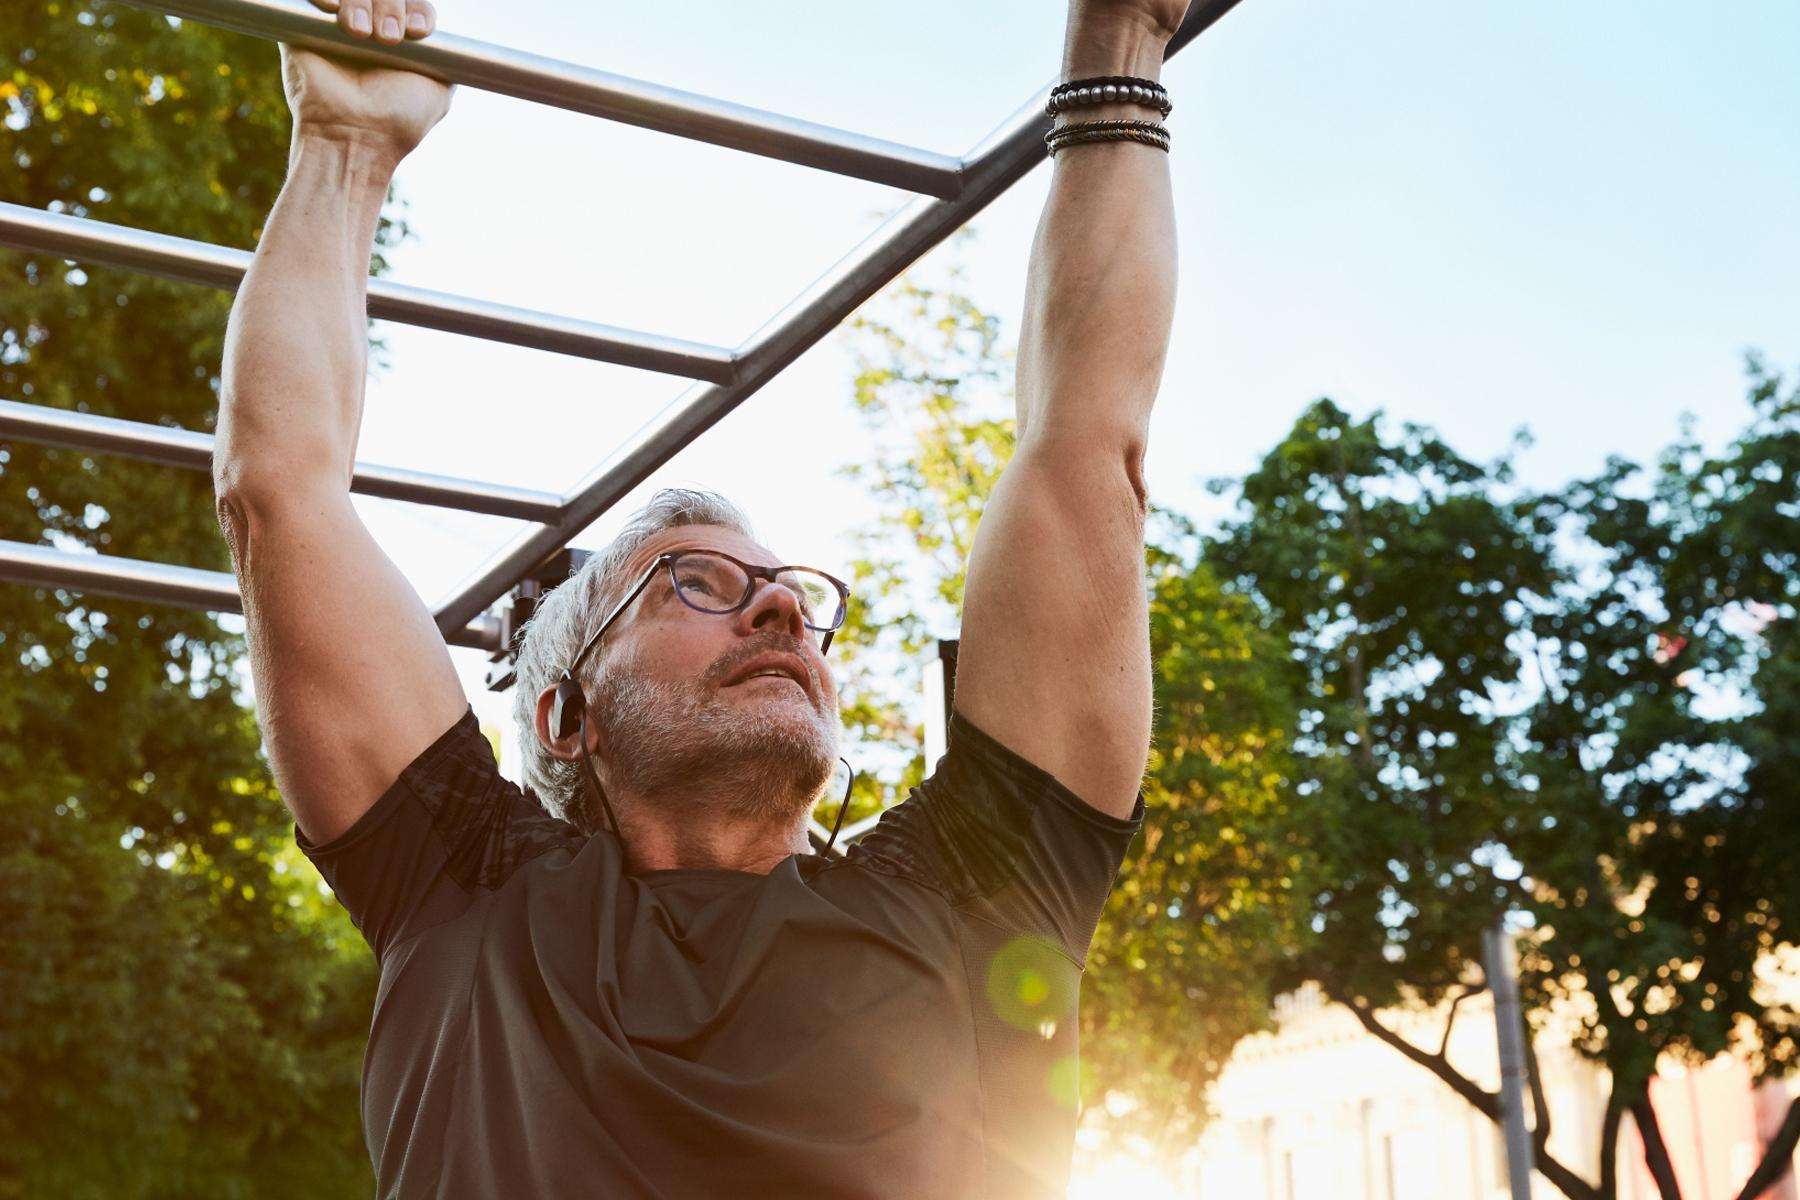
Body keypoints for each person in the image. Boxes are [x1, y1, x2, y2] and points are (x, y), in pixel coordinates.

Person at [211, 0, 1189, 1194]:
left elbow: (1089, 444)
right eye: (702, 584)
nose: (781, 612)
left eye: (790, 594)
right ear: (568, 716)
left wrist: (1121, 40)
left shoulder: (975, 897)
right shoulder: (467, 890)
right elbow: (281, 491)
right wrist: (345, 148)